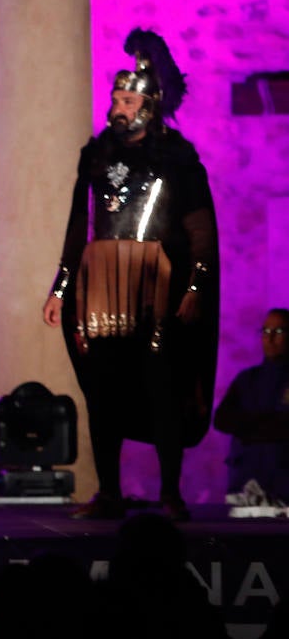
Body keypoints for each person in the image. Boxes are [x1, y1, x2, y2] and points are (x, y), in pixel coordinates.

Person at [43, 28, 219, 522]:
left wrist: (195, 288)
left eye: (128, 98)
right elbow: (79, 226)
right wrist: (61, 288)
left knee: (162, 387)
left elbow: (200, 231)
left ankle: (169, 493)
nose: (118, 106)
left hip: (156, 286)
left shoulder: (179, 159)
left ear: (150, 104)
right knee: (103, 392)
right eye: (116, 97)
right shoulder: (96, 156)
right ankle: (110, 493)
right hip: (101, 285)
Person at [213, 307, 289, 507]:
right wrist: (267, 423)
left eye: (278, 332)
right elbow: (221, 420)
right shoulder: (247, 379)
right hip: (247, 486)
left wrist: (249, 428)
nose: (269, 338)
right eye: (265, 331)